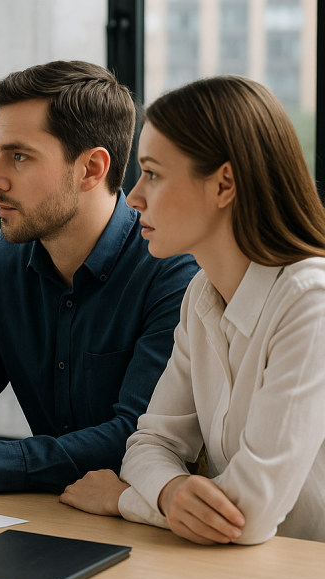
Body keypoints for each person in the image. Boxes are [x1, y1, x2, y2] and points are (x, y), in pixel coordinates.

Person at [0, 61, 199, 497]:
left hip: (154, 525)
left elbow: (138, 437)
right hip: (51, 516)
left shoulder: (172, 268)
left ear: (91, 169)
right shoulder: (2, 260)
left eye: (20, 156)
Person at [60, 76, 325, 545]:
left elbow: (249, 516)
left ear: (224, 184)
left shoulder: (312, 302)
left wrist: (124, 499)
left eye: (154, 174)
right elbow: (149, 444)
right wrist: (171, 491)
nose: (135, 196)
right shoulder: (202, 293)